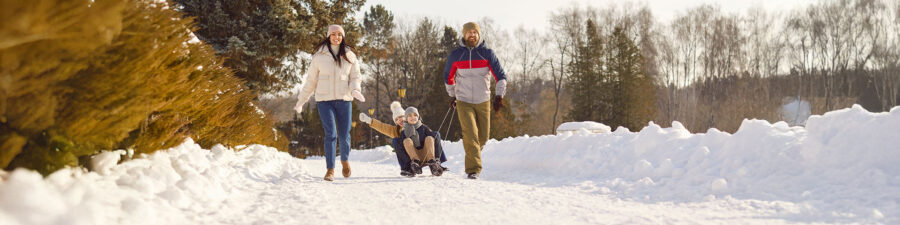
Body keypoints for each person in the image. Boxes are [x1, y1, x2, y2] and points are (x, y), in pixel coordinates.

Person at [295, 24, 366, 181]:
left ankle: (345, 160)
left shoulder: (350, 55)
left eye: (339, 34)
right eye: (333, 34)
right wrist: (301, 101)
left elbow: (355, 77)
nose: (336, 37)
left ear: (342, 37)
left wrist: (355, 90)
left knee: (344, 134)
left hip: (344, 100)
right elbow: (311, 81)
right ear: (328, 36)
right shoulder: (319, 56)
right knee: (330, 134)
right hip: (324, 101)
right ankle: (330, 170)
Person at [443, 22, 507, 179]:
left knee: (483, 137)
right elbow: (448, 77)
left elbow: (501, 76)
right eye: (469, 32)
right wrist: (452, 94)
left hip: (483, 100)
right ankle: (473, 170)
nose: (472, 35)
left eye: (475, 32)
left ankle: (472, 156)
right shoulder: (456, 55)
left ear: (479, 34)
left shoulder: (487, 54)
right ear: (464, 35)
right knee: (470, 134)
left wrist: (499, 96)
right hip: (463, 100)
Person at [358, 101, 448, 177]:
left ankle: (436, 163)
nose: (400, 120)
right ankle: (407, 168)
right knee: (396, 140)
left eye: (401, 117)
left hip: (425, 152)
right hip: (411, 156)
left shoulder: (420, 125)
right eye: (396, 119)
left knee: (435, 134)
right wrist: (369, 120)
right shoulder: (396, 130)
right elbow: (382, 126)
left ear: (406, 116)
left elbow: (431, 139)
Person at [399, 106, 443, 176]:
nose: (413, 117)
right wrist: (406, 165)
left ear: (418, 117)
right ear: (406, 118)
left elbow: (434, 140)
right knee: (407, 140)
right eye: (410, 116)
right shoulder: (404, 131)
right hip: (413, 155)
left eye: (415, 115)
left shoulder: (424, 127)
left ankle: (432, 163)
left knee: (429, 138)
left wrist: (437, 158)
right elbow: (402, 148)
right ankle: (415, 163)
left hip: (427, 154)